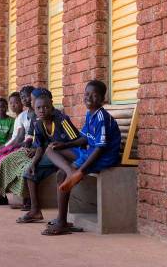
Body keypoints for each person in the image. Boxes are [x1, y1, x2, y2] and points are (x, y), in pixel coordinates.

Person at [40, 80, 121, 236]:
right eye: (86, 94)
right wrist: (64, 145)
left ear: (103, 99)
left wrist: (81, 170)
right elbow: (84, 138)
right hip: (90, 152)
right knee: (51, 149)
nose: (89, 97)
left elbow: (100, 147)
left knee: (61, 174)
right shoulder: (90, 114)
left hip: (102, 157)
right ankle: (71, 172)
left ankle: (62, 221)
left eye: (94, 95)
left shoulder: (101, 118)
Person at [16, 92, 80, 224]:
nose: (42, 110)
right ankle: (35, 211)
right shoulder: (38, 124)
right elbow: (39, 147)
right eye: (38, 108)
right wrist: (33, 163)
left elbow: (79, 141)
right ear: (34, 109)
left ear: (51, 107)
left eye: (45, 107)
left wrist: (63, 145)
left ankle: (70, 173)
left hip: (72, 154)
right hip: (55, 157)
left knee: (52, 152)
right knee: (29, 172)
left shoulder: (62, 120)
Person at [0, 86, 40, 209]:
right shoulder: (25, 115)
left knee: (24, 167)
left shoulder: (39, 114)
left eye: (27, 97)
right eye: (22, 97)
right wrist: (21, 146)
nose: (24, 99)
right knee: (5, 160)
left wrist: (27, 147)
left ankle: (27, 199)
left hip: (39, 149)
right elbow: (26, 136)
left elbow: (40, 138)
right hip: (29, 147)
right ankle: (2, 194)